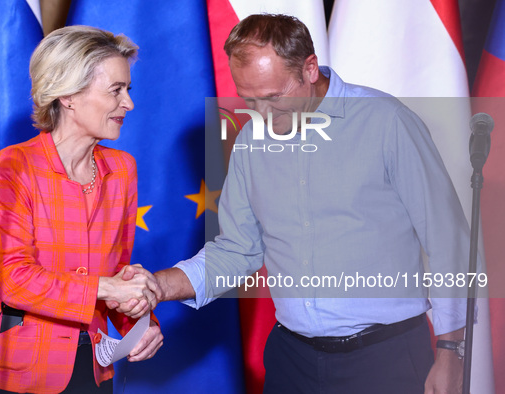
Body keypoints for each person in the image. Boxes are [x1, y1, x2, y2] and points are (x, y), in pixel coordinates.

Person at [120, 14, 470, 394]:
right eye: (250, 99)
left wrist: (451, 350)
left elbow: (448, 241)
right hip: (293, 361)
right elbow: (238, 251)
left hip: (385, 359)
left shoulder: (388, 123)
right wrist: (158, 285)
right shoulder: (252, 139)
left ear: (309, 68)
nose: (263, 114)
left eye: (273, 98)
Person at [0, 26, 163, 394]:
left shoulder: (123, 169)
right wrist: (110, 288)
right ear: (69, 95)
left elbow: (116, 274)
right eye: (116, 90)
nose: (128, 103)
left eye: (127, 90)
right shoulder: (14, 166)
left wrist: (141, 320)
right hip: (10, 372)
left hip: (91, 370)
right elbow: (14, 281)